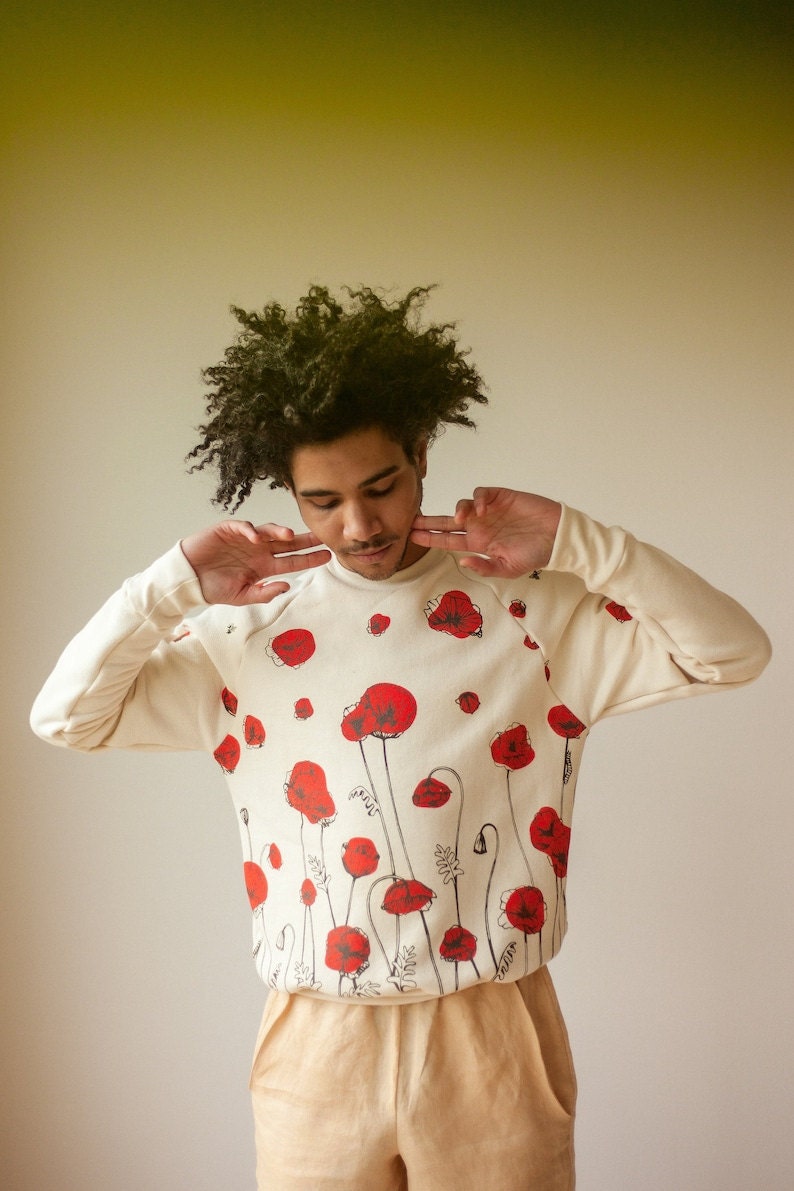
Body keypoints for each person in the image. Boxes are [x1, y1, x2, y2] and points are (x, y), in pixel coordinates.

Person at [30, 286, 771, 1190]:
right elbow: (66, 717)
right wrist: (171, 586)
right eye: (322, 500)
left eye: (380, 486)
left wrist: (583, 542)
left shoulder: (532, 611)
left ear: (424, 452)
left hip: (493, 1035)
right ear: (287, 492)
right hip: (316, 1042)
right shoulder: (242, 633)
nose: (359, 525)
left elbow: (735, 651)